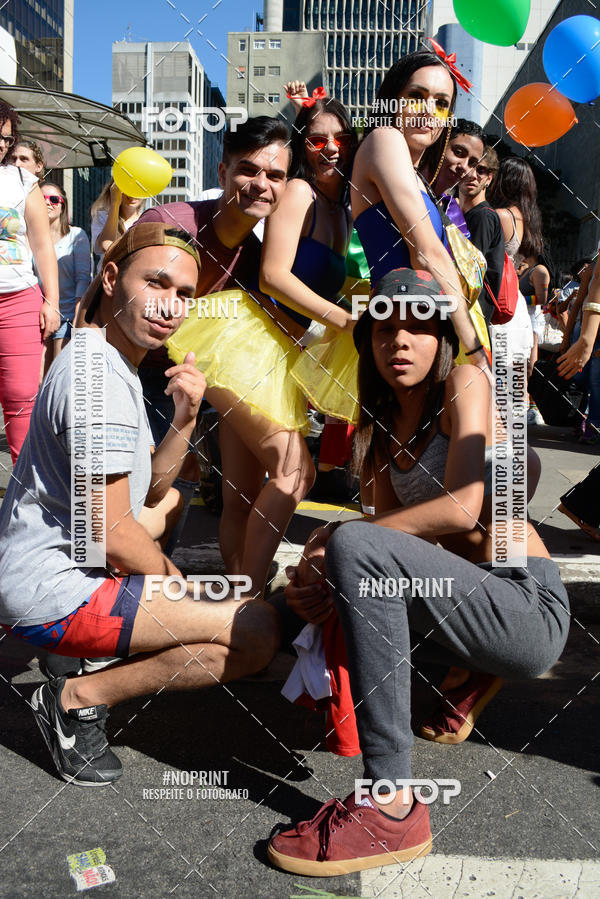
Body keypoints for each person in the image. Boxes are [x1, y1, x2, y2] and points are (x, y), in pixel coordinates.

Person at [268, 269, 570, 875]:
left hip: (523, 604)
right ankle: (463, 670)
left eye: (418, 327)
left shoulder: (464, 382)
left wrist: (337, 540)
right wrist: (321, 574)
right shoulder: (379, 429)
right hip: (461, 599)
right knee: (331, 575)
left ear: (441, 340)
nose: (399, 341)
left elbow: (464, 506)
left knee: (354, 545)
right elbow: (385, 540)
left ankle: (391, 807)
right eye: (384, 329)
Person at [0, 222, 280, 786]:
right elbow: (111, 531)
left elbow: (151, 492)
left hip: (72, 549)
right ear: (109, 277)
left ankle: (100, 646)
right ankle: (76, 697)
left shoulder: (109, 357)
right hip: (53, 587)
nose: (171, 305)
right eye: (156, 283)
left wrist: (185, 417)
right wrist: (177, 586)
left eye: (184, 294)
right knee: (255, 634)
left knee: (174, 504)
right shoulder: (95, 383)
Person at [136, 116, 311, 598]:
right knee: (133, 497)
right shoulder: (171, 224)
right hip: (136, 375)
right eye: (247, 170)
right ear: (222, 171)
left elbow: (272, 325)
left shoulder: (255, 259)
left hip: (193, 385)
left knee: (183, 485)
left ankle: (164, 592)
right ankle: (114, 605)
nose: (261, 185)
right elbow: (102, 304)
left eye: (275, 176)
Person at [349, 49, 487, 369]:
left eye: (441, 103)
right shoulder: (385, 139)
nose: (428, 111)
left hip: (418, 333)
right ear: (392, 100)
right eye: (416, 96)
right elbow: (425, 253)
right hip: (402, 336)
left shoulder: (417, 178)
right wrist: (476, 352)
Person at [259, 95, 358, 498]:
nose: (331, 148)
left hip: (296, 353)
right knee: (286, 476)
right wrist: (343, 321)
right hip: (266, 349)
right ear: (302, 146)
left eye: (341, 138)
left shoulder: (342, 208)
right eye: (317, 140)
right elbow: (271, 276)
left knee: (280, 480)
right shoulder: (300, 191)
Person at [0, 100, 60, 462]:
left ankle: (27, 502)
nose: (1, 146)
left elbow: (42, 246)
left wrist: (51, 301)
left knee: (21, 398)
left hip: (19, 299)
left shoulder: (23, 181)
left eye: (6, 139)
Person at [453, 131, 503, 327]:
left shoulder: (483, 216)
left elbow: (468, 274)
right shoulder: (465, 214)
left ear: (489, 178)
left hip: (473, 316)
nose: (472, 174)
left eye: (481, 170)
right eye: (470, 166)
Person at [40, 182, 91, 372]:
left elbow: (83, 278)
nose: (47, 203)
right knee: (37, 380)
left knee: (58, 376)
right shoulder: (30, 237)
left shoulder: (76, 235)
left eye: (54, 199)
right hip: (36, 316)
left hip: (68, 316)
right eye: (41, 198)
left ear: (63, 205)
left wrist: (78, 319)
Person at [557, 254, 600, 445]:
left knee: (596, 382)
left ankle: (593, 425)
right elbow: (576, 307)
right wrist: (567, 339)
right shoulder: (591, 270)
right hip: (582, 332)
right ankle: (580, 419)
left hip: (595, 338)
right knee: (579, 379)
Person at [90, 179, 145, 270]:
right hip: (109, 278)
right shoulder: (102, 216)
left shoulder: (147, 219)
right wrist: (114, 204)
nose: (132, 195)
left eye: (138, 189)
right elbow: (106, 246)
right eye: (127, 189)